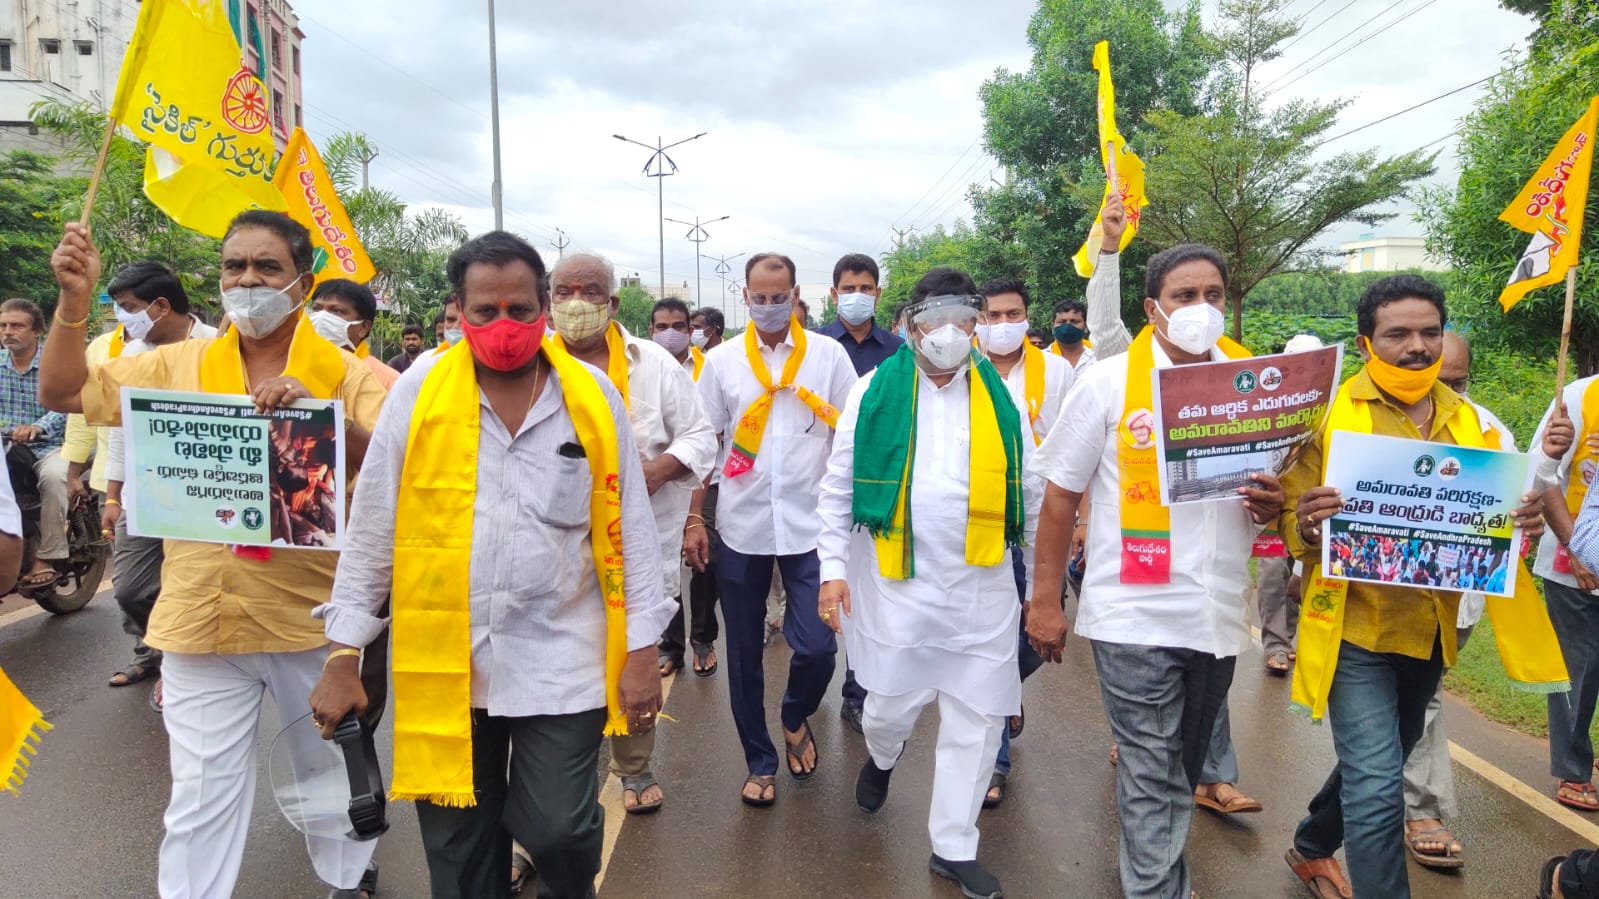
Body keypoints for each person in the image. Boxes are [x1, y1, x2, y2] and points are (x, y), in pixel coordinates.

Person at [310, 231, 675, 899]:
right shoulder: (421, 387)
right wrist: (344, 652)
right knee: (457, 850)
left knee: (558, 827)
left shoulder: (589, 394)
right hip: (445, 657)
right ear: (460, 309)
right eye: (484, 311)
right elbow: (375, 524)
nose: (502, 325)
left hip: (561, 654)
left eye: (518, 308)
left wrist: (644, 648)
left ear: (543, 307)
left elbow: (633, 529)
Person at [42, 213, 387, 899]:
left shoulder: (348, 375)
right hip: (201, 619)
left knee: (325, 776)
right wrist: (74, 305)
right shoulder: (175, 364)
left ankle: (347, 882)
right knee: (199, 794)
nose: (248, 281)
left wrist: (323, 423)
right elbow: (61, 392)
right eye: (235, 267)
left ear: (302, 282)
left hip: (310, 621)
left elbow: (395, 465)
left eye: (266, 268)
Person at [1281, 274, 1562, 899]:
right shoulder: (1323, 417)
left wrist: (1527, 527)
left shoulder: (1476, 428)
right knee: (1380, 787)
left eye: (1429, 332)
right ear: (1365, 342)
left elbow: (1502, 529)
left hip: (1432, 630)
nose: (1416, 346)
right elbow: (1288, 518)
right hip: (1353, 625)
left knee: (1379, 760)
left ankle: (1310, 843)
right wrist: (1303, 520)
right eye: (1398, 333)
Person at [1026, 243, 1286, 899]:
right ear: (1152, 308)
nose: (1201, 309)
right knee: (1149, 763)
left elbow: (1273, 492)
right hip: (1131, 608)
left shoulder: (1254, 385)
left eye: (1212, 296)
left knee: (1183, 761)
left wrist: (1271, 504)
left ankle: (1161, 876)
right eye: (1183, 296)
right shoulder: (1108, 383)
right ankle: (1156, 888)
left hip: (1218, 611)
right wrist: (1046, 601)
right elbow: (1059, 494)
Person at [818, 269, 1038, 899]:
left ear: (976, 326)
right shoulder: (870, 394)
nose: (949, 333)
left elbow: (1035, 484)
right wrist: (833, 572)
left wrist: (1045, 580)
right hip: (897, 588)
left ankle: (954, 845)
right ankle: (883, 757)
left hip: (983, 588)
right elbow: (836, 490)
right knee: (888, 708)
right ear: (909, 324)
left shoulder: (1002, 398)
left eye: (962, 320)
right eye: (935, 319)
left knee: (979, 717)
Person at [547, 254, 716, 813]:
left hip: (635, 539)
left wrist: (660, 468)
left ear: (614, 303)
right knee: (558, 661)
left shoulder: (655, 366)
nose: (576, 303)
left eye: (590, 291)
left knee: (631, 651)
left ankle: (633, 766)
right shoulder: (528, 363)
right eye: (564, 291)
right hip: (553, 546)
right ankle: (549, 797)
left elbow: (699, 436)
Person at [696, 252, 857, 806]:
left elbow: (849, 439)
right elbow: (703, 442)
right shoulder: (720, 363)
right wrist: (697, 516)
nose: (769, 307)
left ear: (795, 295)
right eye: (759, 298)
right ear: (745, 297)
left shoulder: (829, 358)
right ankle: (760, 761)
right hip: (741, 527)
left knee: (817, 647)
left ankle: (794, 716)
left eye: (779, 297)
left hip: (812, 528)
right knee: (742, 654)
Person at [1400, 330, 1554, 869]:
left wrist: (1527, 511)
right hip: (1379, 598)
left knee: (1417, 696)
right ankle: (1418, 809)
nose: (1447, 393)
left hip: (1459, 595)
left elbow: (1517, 505)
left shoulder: (1490, 431)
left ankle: (1387, 806)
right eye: (1434, 380)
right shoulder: (1363, 424)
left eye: (1457, 382)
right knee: (1399, 704)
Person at [70, 263, 217, 709]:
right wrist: (112, 496)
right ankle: (158, 649)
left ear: (161, 306)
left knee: (195, 583)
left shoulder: (219, 348)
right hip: (144, 494)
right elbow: (119, 433)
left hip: (204, 495)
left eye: (129, 308)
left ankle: (179, 667)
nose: (123, 318)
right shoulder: (132, 355)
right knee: (131, 588)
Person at [972, 275, 1073, 808]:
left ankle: (1006, 690)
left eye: (1013, 315)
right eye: (992, 316)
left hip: (1043, 522)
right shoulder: (960, 369)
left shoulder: (1057, 372)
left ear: (1028, 320)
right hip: (982, 521)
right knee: (990, 639)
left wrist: (1080, 521)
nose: (1003, 325)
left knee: (1043, 629)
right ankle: (995, 760)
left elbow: (1081, 445)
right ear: (978, 320)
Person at [818, 252, 905, 733]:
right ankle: (834, 678)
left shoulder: (897, 351)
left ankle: (861, 689)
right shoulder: (818, 348)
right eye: (848, 288)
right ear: (834, 294)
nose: (857, 296)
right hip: (829, 488)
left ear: (878, 291)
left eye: (866, 287)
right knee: (837, 587)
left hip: (881, 491)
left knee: (871, 596)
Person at [1533, 354, 1599, 815]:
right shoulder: (1579, 398)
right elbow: (1542, 474)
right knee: (1578, 669)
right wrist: (1575, 548)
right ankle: (1573, 769)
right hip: (1572, 564)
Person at [0, 298, 70, 589]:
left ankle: (47, 556)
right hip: (6, 447)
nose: (8, 332)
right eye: (3, 326)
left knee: (54, 479)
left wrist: (38, 426)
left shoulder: (55, 363)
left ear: (37, 331)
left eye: (17, 326)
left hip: (51, 444)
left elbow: (68, 404)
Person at [308, 279, 400, 390]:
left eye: (337, 311)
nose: (322, 317)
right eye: (317, 309)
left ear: (363, 327)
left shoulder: (387, 381)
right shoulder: (293, 368)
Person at [1049, 300, 1096, 372]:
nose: (1068, 326)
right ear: (1053, 327)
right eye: (1062, 322)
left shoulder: (1098, 357)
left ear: (1086, 326)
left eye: (1074, 322)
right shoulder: (1042, 359)